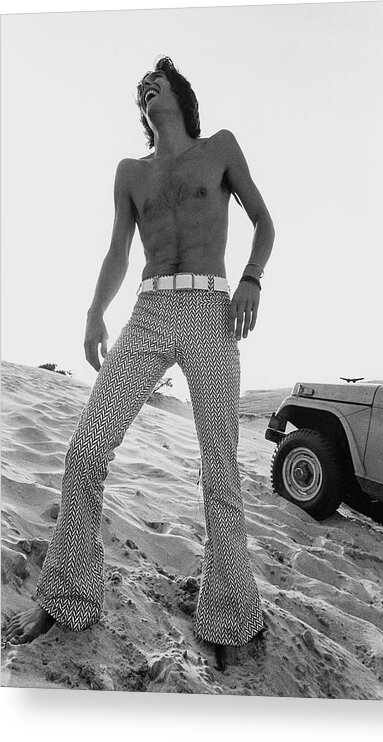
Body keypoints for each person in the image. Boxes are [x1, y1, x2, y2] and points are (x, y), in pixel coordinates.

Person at [3, 56, 275, 671]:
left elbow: (264, 222)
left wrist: (252, 280)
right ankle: (67, 598)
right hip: (148, 312)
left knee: (220, 471)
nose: (146, 90)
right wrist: (95, 313)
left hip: (210, 309)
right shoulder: (130, 172)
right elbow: (118, 250)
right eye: (139, 89)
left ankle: (228, 617)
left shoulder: (220, 148)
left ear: (178, 94)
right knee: (86, 450)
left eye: (156, 82)